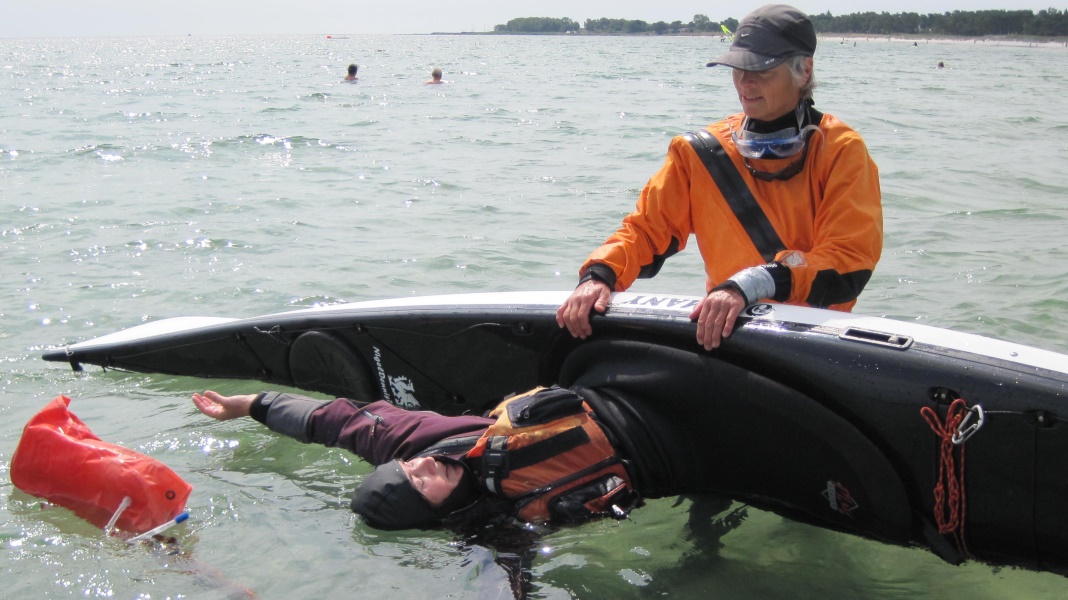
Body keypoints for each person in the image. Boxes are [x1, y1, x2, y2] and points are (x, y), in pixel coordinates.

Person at [556, 4, 882, 351]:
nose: (745, 82)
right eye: (738, 69)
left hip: (812, 341)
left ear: (804, 71)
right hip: (728, 334)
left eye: (762, 69)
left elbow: (848, 262)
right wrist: (600, 275)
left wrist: (754, 283)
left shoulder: (841, 150)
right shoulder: (699, 152)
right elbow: (645, 231)